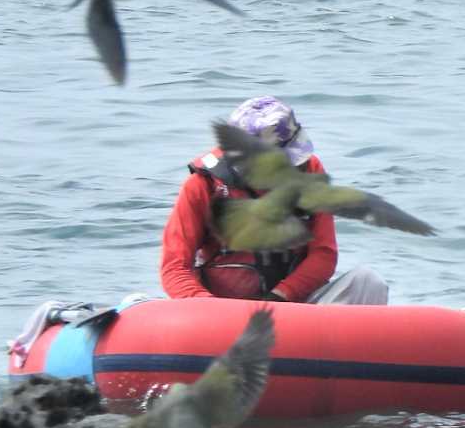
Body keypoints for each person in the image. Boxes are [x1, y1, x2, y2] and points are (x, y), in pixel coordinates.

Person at [159, 96, 389, 305]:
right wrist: (210, 307)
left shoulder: (310, 172)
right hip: (220, 312)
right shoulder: (203, 186)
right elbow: (174, 267)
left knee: (368, 283)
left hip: (292, 307)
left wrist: (280, 296)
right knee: (136, 303)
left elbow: (323, 255)